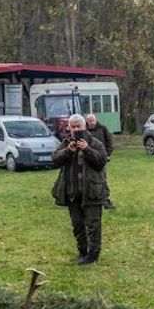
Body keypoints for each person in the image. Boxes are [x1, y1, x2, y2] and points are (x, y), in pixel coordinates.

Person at [51, 113, 109, 264]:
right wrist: (68, 151)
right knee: (77, 225)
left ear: (85, 126)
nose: (76, 129)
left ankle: (93, 255)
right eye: (73, 127)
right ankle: (82, 252)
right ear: (69, 128)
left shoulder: (95, 143)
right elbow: (55, 160)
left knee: (93, 225)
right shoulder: (66, 143)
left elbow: (102, 161)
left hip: (92, 192)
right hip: (72, 193)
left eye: (79, 126)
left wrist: (87, 149)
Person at [85, 114, 117, 209]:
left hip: (100, 159)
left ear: (96, 120)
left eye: (93, 120)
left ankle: (105, 200)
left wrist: (107, 155)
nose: (92, 122)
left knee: (102, 180)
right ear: (87, 121)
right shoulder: (84, 131)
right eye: (90, 121)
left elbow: (109, 142)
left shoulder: (103, 129)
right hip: (88, 159)